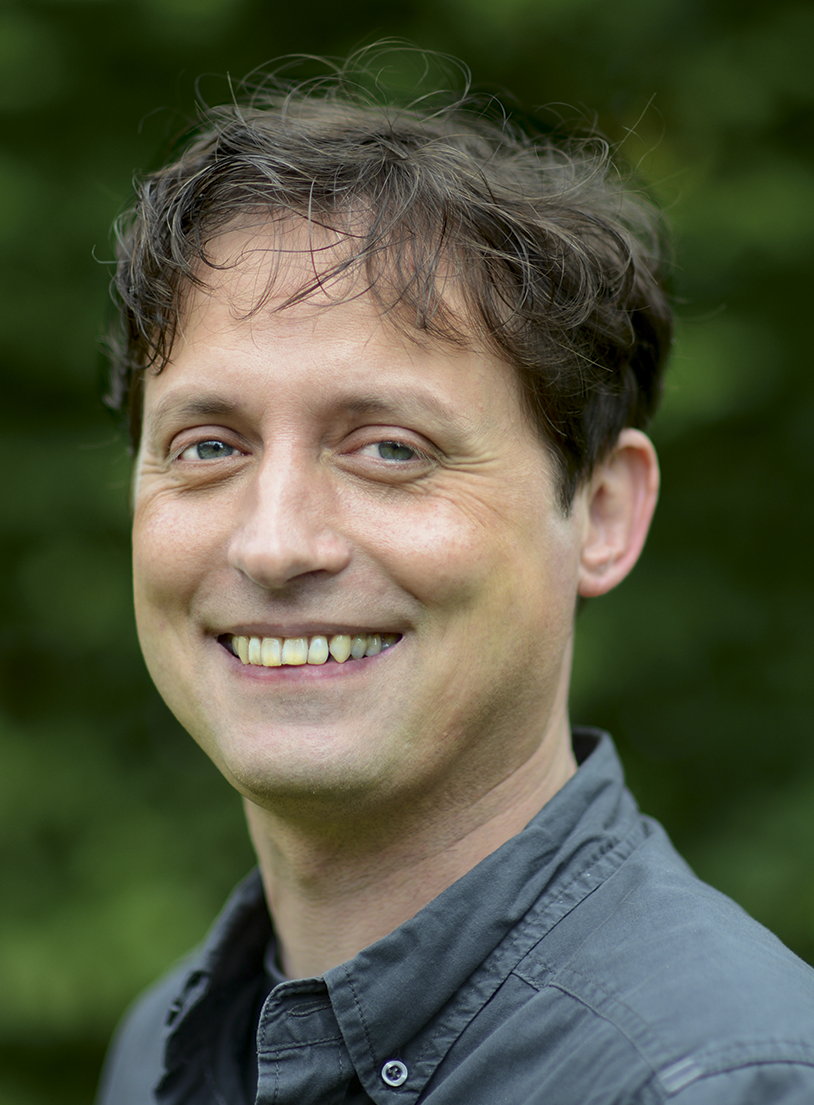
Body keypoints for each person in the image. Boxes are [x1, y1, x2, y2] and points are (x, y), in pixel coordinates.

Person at [96, 51, 814, 1105]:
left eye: (390, 449)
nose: (275, 543)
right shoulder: (164, 1050)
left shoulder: (717, 1081)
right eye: (209, 447)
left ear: (602, 514)